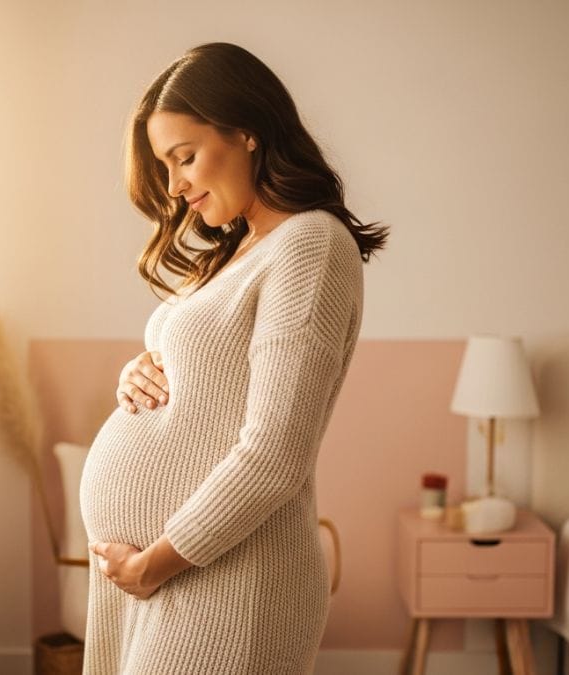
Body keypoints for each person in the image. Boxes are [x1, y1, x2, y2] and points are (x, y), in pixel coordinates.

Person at [78, 42, 388, 674]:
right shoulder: (241, 248)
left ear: (247, 132)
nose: (175, 185)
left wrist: (154, 563)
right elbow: (210, 380)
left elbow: (275, 456)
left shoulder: (310, 244)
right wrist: (139, 372)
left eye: (185, 157)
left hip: (225, 583)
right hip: (163, 579)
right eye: (165, 166)